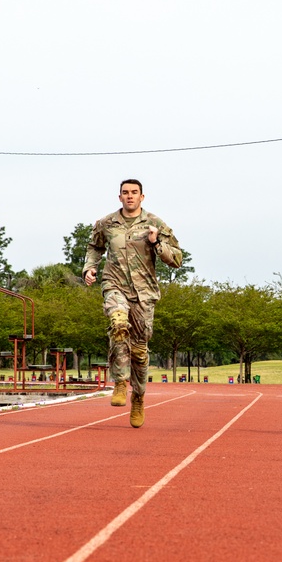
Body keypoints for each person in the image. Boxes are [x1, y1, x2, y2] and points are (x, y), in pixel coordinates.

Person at [83, 179, 183, 427]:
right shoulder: (106, 223)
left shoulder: (155, 224)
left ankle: (138, 397)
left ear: (142, 197)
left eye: (134, 193)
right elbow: (94, 248)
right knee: (118, 325)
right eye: (125, 193)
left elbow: (177, 259)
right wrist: (90, 268)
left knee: (139, 351)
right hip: (114, 285)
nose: (130, 196)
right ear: (119, 197)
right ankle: (119, 381)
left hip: (144, 294)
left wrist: (156, 243)